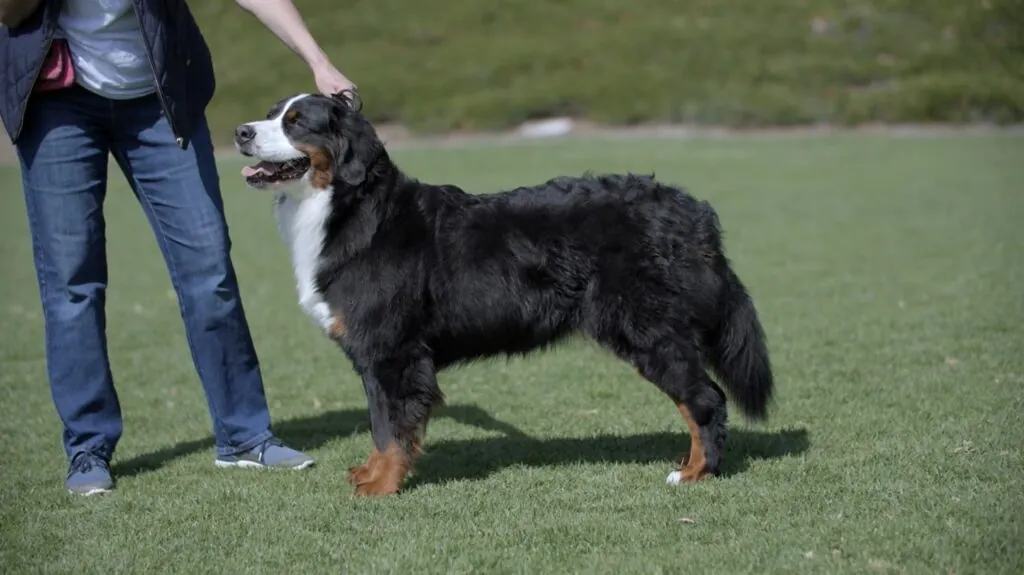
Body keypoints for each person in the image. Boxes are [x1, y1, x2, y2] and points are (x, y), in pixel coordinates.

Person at [0, 0, 356, 496]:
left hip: (158, 95)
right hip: (56, 96)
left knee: (207, 267)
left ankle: (244, 435)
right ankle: (88, 447)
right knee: (71, 281)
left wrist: (317, 59)